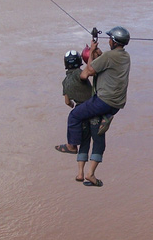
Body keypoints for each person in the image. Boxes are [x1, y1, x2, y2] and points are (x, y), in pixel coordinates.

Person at [55, 27, 131, 183]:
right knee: (98, 137)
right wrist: (98, 53)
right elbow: (106, 62)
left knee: (75, 115)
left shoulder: (109, 56)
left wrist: (92, 54)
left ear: (114, 41)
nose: (108, 40)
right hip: (117, 103)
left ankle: (71, 146)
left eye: (110, 38)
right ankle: (89, 173)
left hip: (103, 101)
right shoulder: (125, 56)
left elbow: (88, 71)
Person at [59, 47, 108, 186]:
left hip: (80, 112)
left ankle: (80, 173)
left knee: (84, 143)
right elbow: (87, 74)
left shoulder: (64, 82)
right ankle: (91, 173)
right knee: (98, 142)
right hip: (92, 110)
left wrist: (74, 104)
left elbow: (68, 102)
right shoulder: (78, 74)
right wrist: (93, 54)